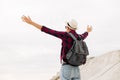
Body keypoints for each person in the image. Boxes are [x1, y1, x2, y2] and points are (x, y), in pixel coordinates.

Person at [21, 15, 92, 80]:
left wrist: (31, 23)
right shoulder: (79, 37)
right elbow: (84, 35)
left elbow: (48, 30)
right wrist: (88, 31)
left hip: (67, 67)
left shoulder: (65, 35)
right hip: (76, 68)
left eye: (65, 27)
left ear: (68, 27)